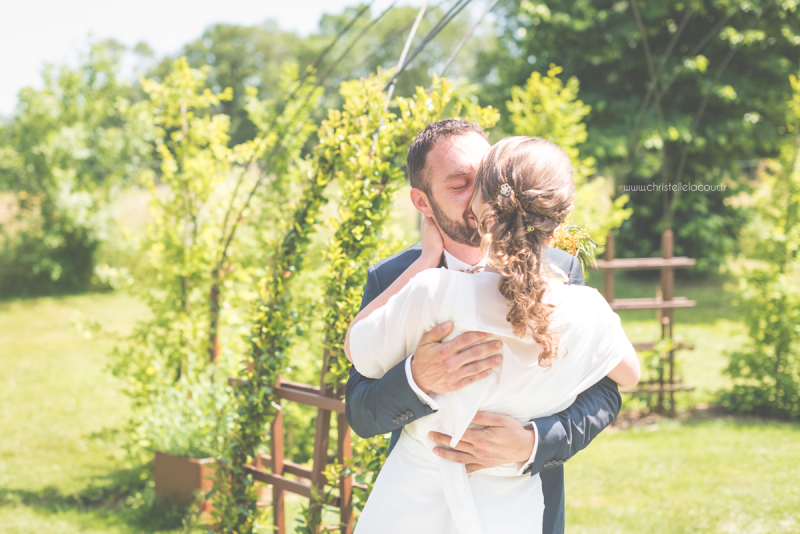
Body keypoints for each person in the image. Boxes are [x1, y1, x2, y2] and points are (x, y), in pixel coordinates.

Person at [344, 136, 640, 533]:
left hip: (527, 507)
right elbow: (361, 410)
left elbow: (604, 392)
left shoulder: (563, 270)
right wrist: (417, 378)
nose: (474, 196)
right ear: (422, 201)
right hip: (416, 511)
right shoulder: (392, 277)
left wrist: (533, 442)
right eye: (457, 183)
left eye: (481, 178)